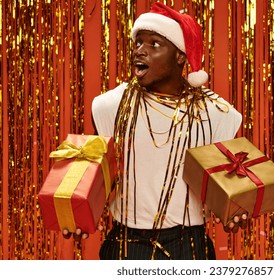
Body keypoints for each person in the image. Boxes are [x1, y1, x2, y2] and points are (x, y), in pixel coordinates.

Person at [67, 2, 244, 260]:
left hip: (189, 245)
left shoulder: (216, 113)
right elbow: (102, 176)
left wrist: (235, 210)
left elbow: (226, 185)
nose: (140, 51)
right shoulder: (109, 105)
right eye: (138, 43)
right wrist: (78, 214)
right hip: (126, 245)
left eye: (154, 44)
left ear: (180, 56)